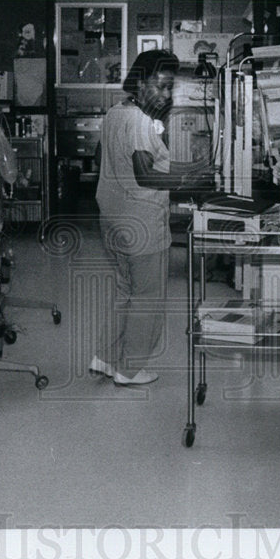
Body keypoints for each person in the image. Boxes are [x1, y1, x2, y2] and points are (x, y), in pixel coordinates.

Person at [90, 49, 213, 386]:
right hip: (141, 223)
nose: (166, 94)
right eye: (161, 86)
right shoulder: (141, 122)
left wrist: (194, 168)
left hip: (112, 219)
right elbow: (146, 174)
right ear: (141, 82)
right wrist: (191, 180)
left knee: (126, 292)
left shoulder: (116, 113)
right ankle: (130, 370)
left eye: (169, 88)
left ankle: (105, 358)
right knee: (147, 297)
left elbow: (105, 155)